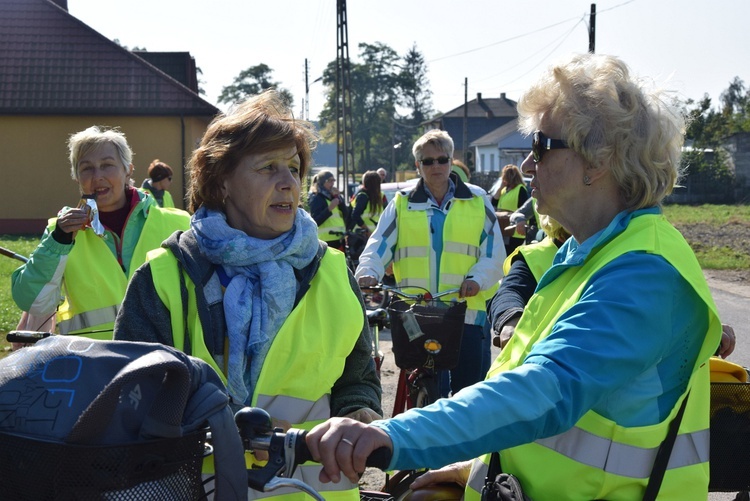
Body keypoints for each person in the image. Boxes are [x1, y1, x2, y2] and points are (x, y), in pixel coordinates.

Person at [306, 53, 723, 500]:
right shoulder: (589, 254)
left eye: (541, 147)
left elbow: (542, 393)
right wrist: (478, 466)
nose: (527, 165)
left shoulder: (644, 272)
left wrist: (392, 436)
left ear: (598, 161)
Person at [113, 89, 381, 501]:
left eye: (293, 168)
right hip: (200, 488)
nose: (287, 182)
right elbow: (132, 402)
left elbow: (357, 375)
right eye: (268, 167)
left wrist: (358, 411)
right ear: (221, 182)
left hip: (311, 490)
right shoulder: (164, 275)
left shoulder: (331, 269)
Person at [356, 129, 504, 397]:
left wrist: (477, 280)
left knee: (468, 396)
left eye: (442, 159)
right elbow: (379, 244)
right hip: (417, 316)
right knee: (423, 391)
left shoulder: (477, 200)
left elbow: (494, 252)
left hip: (466, 314)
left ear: (451, 161)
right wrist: (368, 272)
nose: (436, 166)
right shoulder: (402, 203)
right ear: (417, 165)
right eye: (428, 161)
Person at [11, 126, 191, 339]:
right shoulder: (60, 232)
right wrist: (58, 241)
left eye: (107, 165)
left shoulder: (179, 223)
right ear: (77, 177)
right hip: (94, 363)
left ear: (128, 170)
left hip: (169, 360)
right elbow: (32, 301)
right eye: (86, 168)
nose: (97, 176)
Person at [487, 215, 571, 350]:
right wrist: (511, 319)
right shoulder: (536, 255)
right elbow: (510, 291)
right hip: (547, 358)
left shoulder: (611, 248)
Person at [491, 164, 529, 255]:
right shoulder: (504, 190)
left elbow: (524, 209)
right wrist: (500, 187)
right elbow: (493, 202)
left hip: (515, 231)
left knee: (510, 255)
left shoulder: (521, 189)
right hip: (504, 230)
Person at [309, 170, 349, 250]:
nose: (332, 184)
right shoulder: (317, 197)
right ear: (322, 182)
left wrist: (338, 198)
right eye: (330, 181)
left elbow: (346, 214)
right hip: (326, 241)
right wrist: (329, 208)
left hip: (339, 239)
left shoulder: (333, 196)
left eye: (333, 181)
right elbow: (315, 221)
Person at [348, 170, 384, 234]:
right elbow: (355, 215)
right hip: (362, 235)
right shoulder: (363, 196)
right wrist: (367, 231)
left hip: (375, 234)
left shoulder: (379, 196)